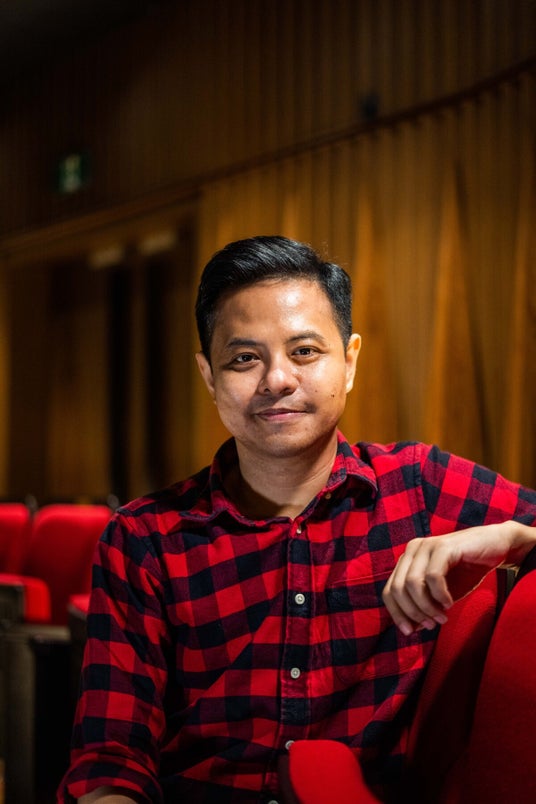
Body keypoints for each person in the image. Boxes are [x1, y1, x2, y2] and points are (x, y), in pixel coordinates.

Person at [58, 235, 536, 804]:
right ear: (209, 377)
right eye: (244, 359)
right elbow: (113, 757)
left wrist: (512, 535)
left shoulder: (420, 487)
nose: (277, 379)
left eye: (304, 351)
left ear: (349, 362)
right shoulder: (144, 538)